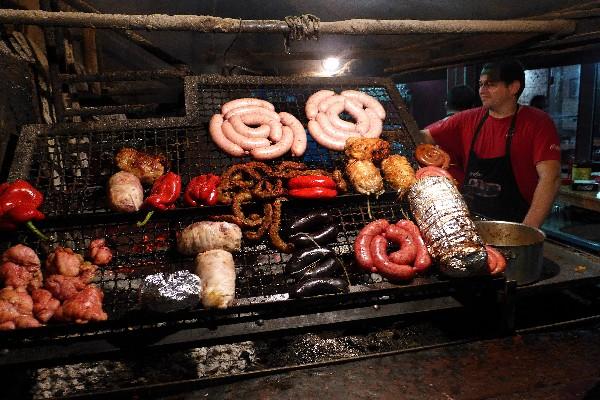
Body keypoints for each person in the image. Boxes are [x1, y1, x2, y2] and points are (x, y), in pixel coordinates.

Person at [420, 59, 561, 228]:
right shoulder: (468, 119)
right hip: (470, 223)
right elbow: (424, 137)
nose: (482, 90)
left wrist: (526, 232)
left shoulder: (538, 122)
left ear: (513, 87)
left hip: (515, 224)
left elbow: (551, 178)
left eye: (490, 84)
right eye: (481, 84)